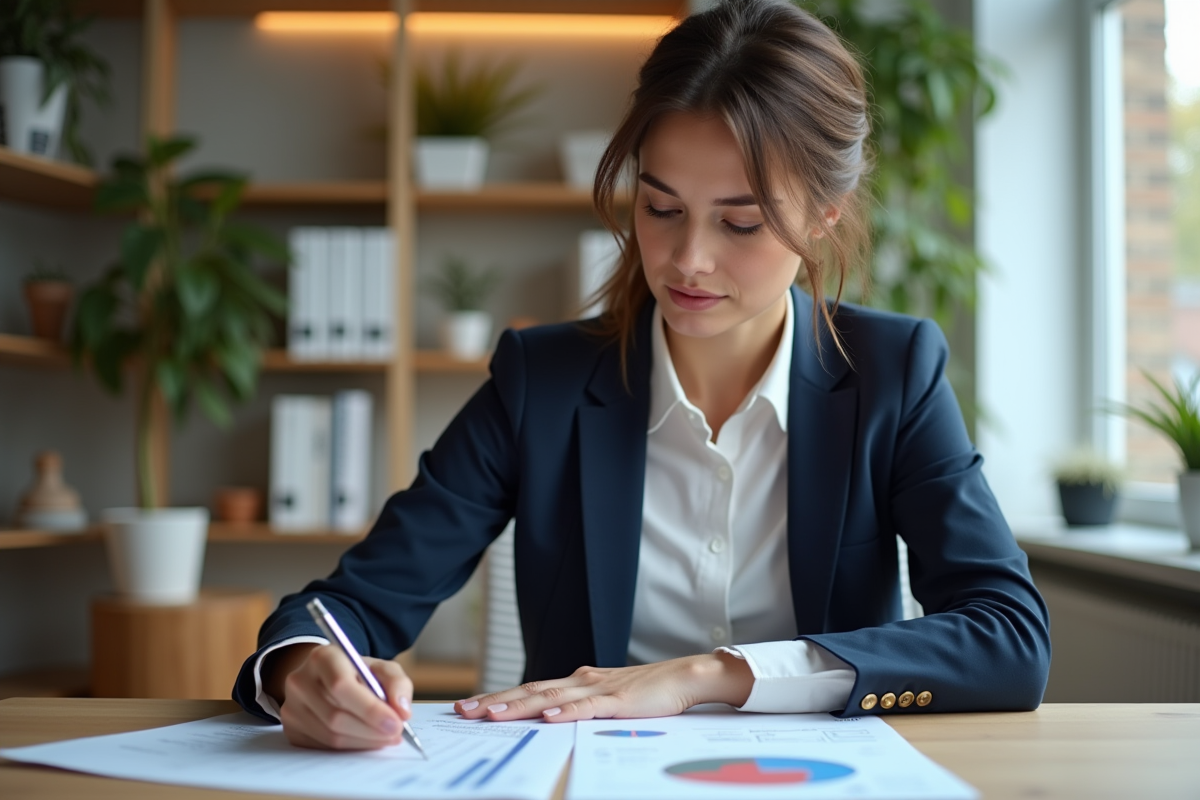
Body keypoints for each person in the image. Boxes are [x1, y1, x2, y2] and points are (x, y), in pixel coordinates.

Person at [233, 0, 1051, 751]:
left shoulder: (892, 373)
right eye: (660, 210)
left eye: (741, 222)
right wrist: (300, 668)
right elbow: (352, 604)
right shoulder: (543, 383)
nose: (688, 260)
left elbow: (1009, 638)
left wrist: (706, 674)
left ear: (824, 215)